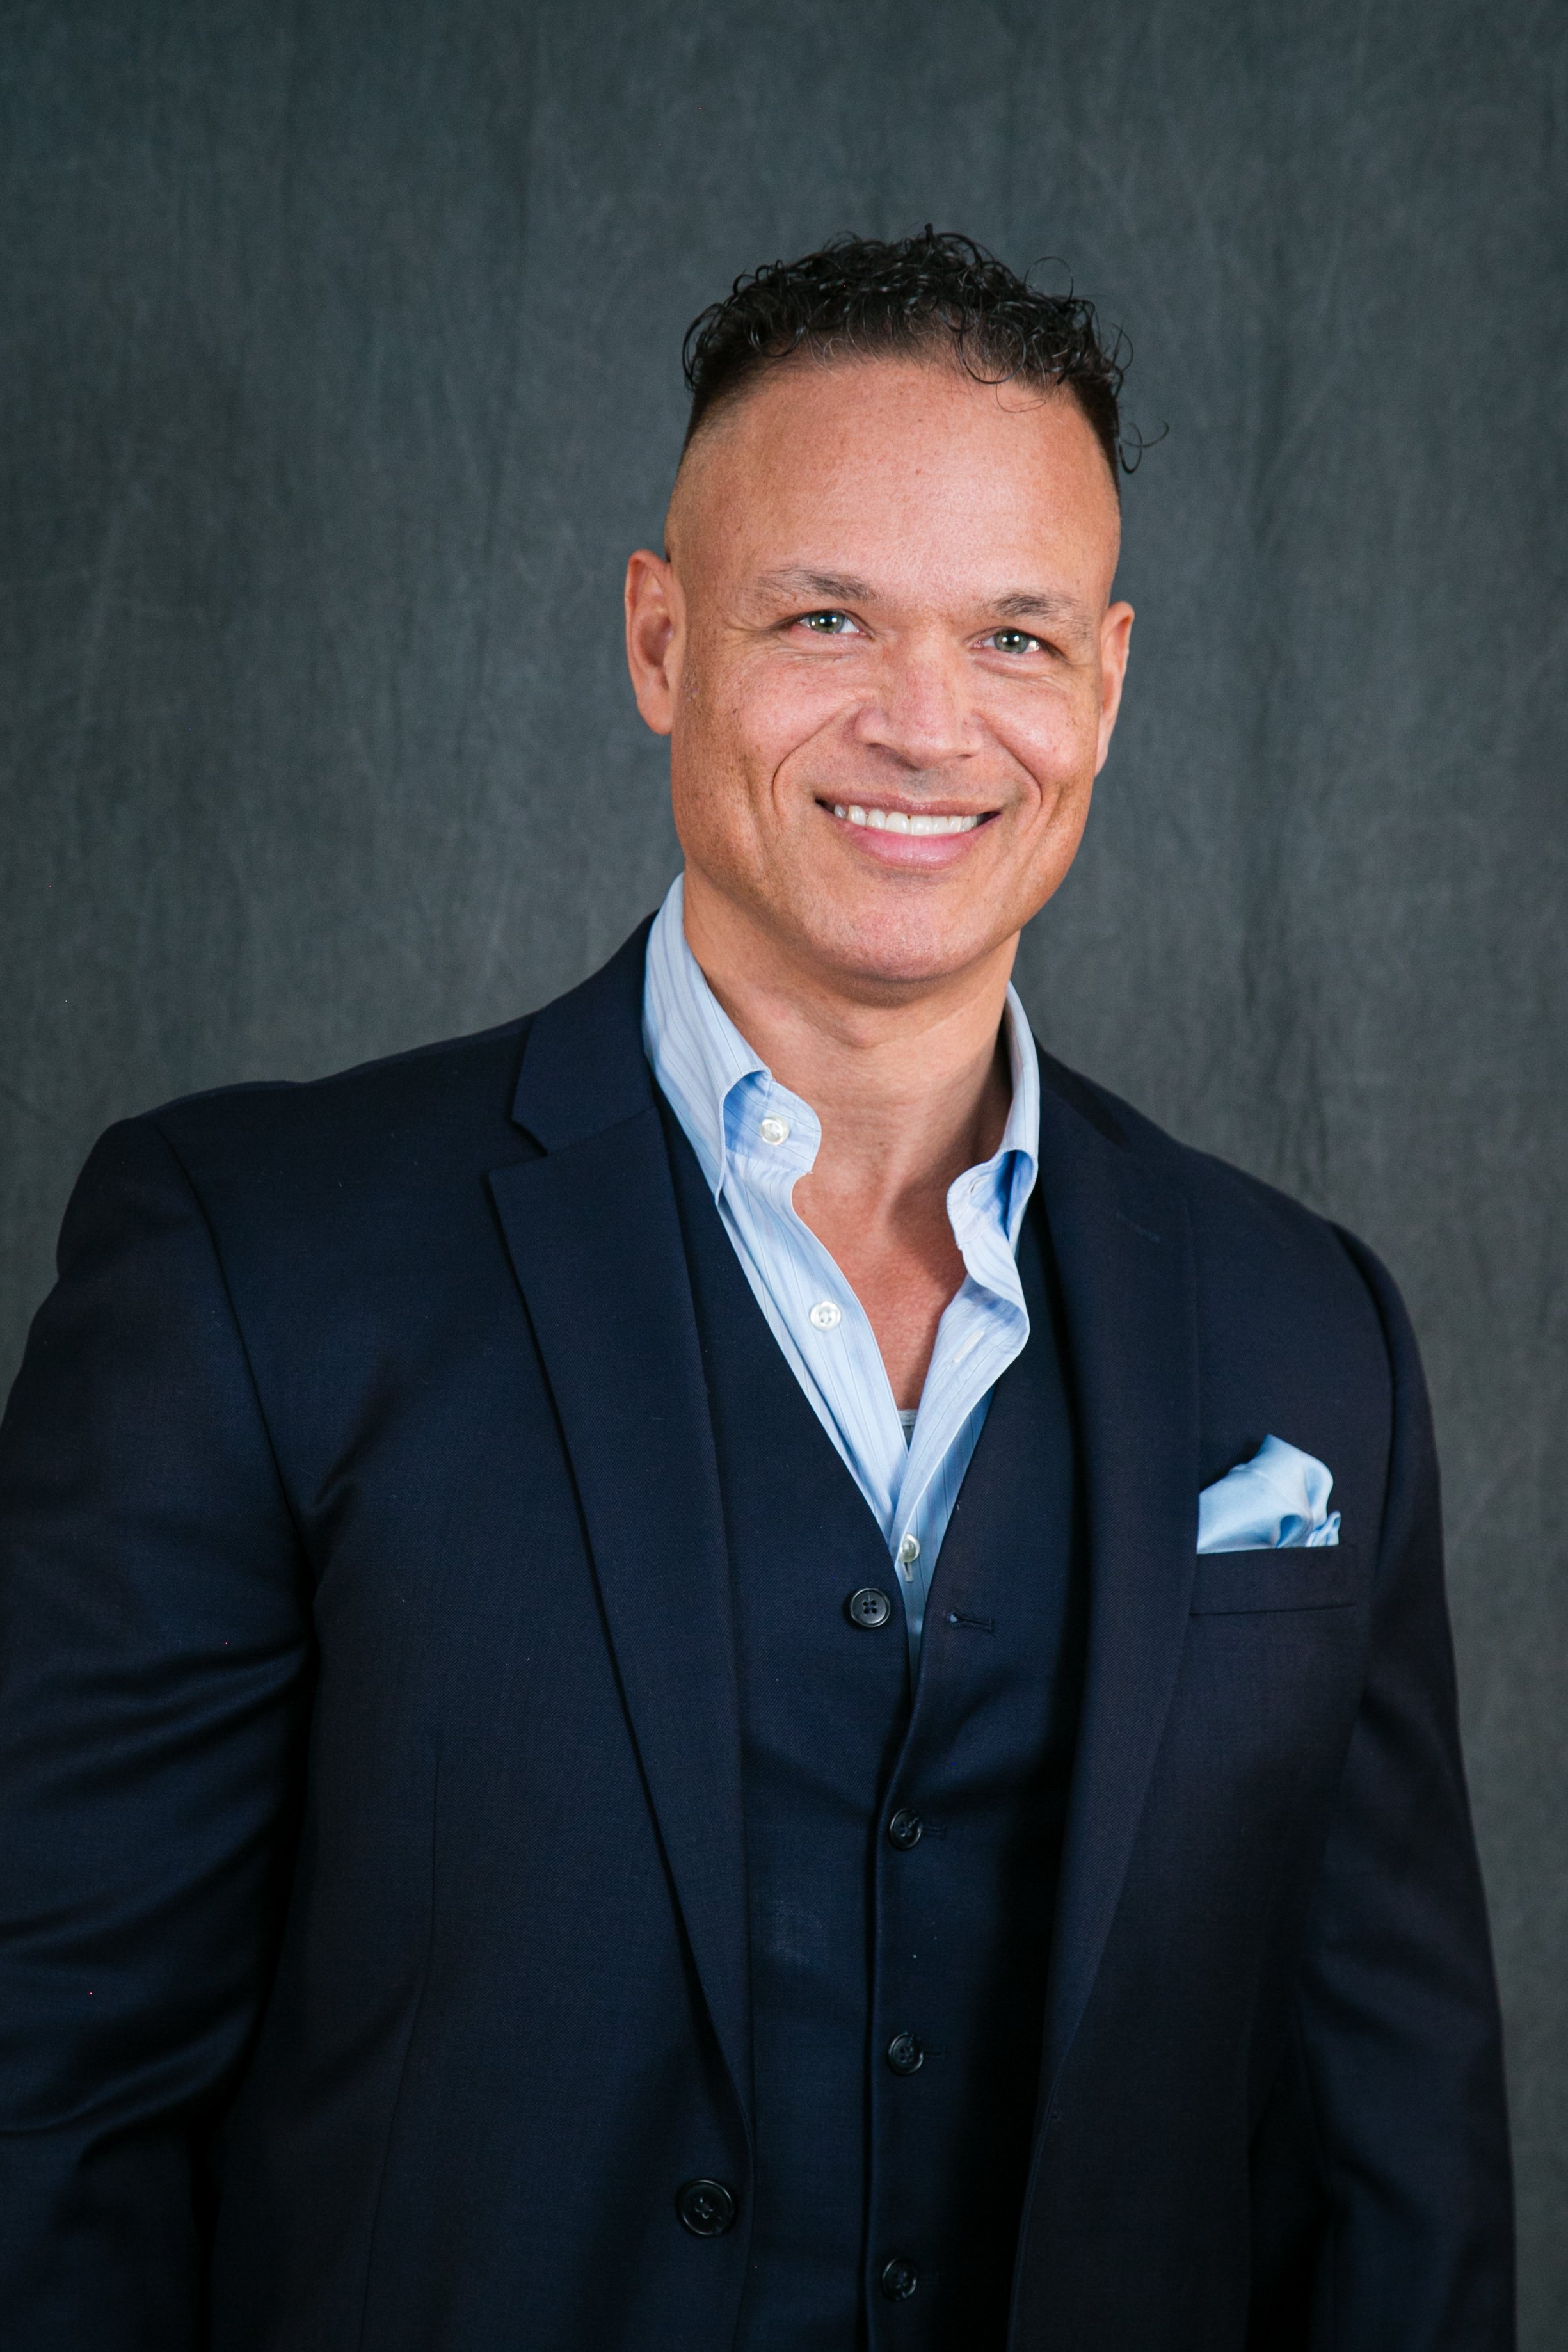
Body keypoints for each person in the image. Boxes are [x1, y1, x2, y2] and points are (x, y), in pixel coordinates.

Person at [0, 230, 1512, 2351]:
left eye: (1012, 631)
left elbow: (1395, 2170)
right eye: (825, 617)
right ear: (658, 636)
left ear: (1106, 679)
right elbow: (49, 2096)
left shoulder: (1306, 1333)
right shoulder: (257, 1258)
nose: (926, 722)